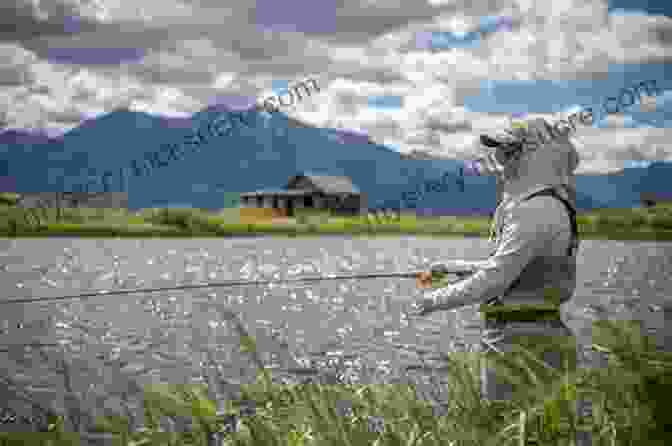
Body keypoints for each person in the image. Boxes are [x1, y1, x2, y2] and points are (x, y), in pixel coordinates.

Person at [409, 117, 592, 444]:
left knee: (503, 432)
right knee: (543, 434)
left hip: (518, 341)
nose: (501, 162)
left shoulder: (534, 210)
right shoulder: (551, 204)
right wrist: (451, 266)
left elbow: (495, 280)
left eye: (509, 152)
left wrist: (433, 301)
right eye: (501, 153)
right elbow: (515, 270)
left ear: (535, 156)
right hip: (538, 334)